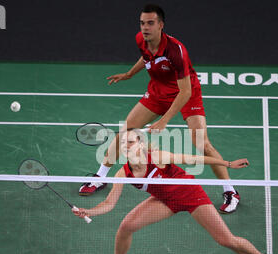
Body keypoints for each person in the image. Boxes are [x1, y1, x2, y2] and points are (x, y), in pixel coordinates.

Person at [79, 4, 240, 213]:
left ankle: (230, 191)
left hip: (186, 92)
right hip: (157, 92)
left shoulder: (175, 51)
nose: (145, 28)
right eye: (142, 23)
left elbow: (185, 92)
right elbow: (145, 58)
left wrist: (164, 120)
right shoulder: (141, 40)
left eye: (150, 23)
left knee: (202, 143)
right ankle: (100, 177)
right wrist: (129, 74)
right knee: (125, 131)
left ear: (161, 25)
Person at [73, 129, 278, 254]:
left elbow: (193, 158)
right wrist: (88, 211)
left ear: (140, 143)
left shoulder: (157, 157)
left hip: (191, 195)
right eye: (123, 144)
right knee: (126, 226)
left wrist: (227, 164)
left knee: (226, 240)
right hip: (165, 201)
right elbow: (109, 203)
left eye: (130, 142)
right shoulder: (123, 173)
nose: (125, 146)